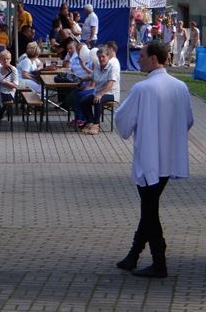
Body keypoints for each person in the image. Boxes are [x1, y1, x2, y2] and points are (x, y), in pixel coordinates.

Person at [114, 42, 193, 278]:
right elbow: (188, 120)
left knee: (149, 210)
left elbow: (123, 118)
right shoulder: (180, 86)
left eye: (142, 55)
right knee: (149, 206)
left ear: (154, 59)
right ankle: (133, 256)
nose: (138, 59)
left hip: (149, 158)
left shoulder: (143, 88)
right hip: (169, 157)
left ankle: (159, 261)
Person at [78, 45, 120, 135]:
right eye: (99, 57)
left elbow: (110, 83)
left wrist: (100, 94)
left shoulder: (112, 67)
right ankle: (90, 122)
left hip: (111, 93)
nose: (101, 59)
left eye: (103, 56)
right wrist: (80, 79)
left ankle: (96, 125)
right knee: (83, 101)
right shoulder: (97, 66)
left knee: (97, 100)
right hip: (98, 92)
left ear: (108, 56)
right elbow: (91, 76)